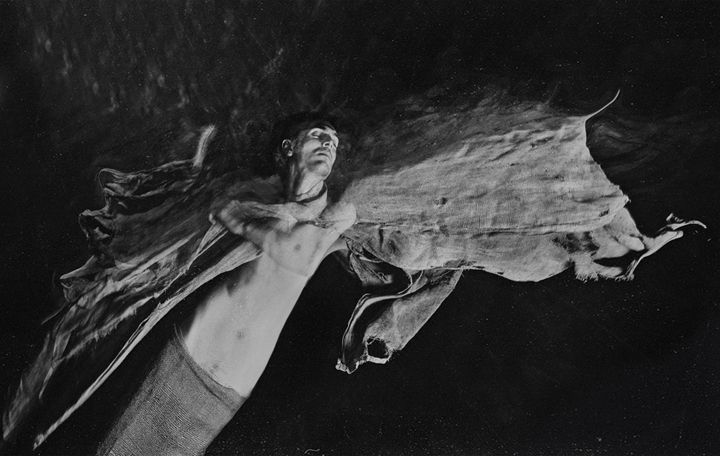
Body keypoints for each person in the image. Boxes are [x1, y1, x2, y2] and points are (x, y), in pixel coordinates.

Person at [95, 116, 356, 456]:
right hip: (189, 352)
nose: (328, 144)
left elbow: (298, 256)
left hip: (230, 383)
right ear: (289, 147)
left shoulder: (337, 213)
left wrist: (242, 224)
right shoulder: (259, 196)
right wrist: (239, 217)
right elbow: (215, 210)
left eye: (333, 142)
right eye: (318, 135)